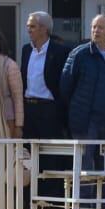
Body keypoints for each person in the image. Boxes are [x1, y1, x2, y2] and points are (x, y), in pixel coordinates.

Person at [60, 14, 105, 206]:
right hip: (85, 120)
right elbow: (65, 87)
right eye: (93, 27)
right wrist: (74, 113)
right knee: (84, 165)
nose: (96, 31)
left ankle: (103, 205)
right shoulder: (79, 55)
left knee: (104, 166)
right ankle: (83, 206)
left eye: (100, 27)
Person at [20, 11, 72, 141]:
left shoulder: (60, 51)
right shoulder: (26, 50)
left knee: (48, 154)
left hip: (49, 109)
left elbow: (64, 82)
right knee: (29, 152)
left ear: (44, 29)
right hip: (29, 108)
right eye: (28, 26)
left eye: (32, 26)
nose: (28, 30)